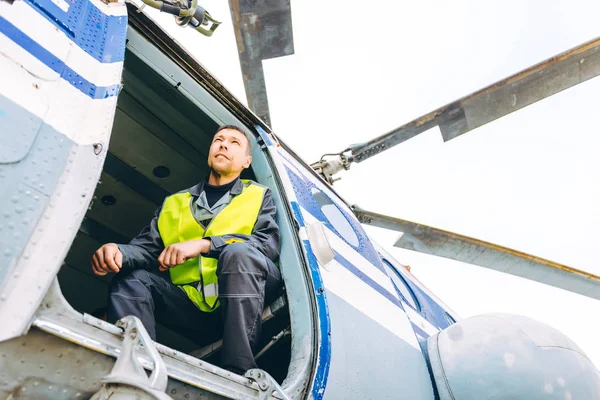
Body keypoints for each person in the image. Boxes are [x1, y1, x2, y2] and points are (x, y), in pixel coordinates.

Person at [91, 125, 282, 374]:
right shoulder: (174, 203)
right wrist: (118, 251)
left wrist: (206, 244)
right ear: (210, 151)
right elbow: (147, 249)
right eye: (218, 140)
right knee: (130, 278)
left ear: (247, 162)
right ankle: (138, 369)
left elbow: (266, 244)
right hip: (194, 308)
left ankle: (238, 369)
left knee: (239, 253)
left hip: (246, 304)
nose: (223, 145)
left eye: (234, 142)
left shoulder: (259, 195)